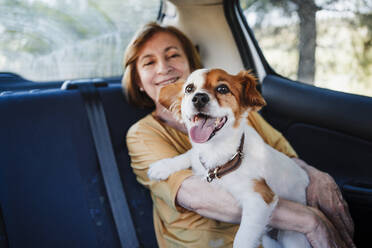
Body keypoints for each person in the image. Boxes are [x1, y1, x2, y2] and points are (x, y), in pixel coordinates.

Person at [123, 22, 355, 248]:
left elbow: (285, 157)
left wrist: (319, 178)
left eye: (173, 55)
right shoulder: (142, 134)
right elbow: (201, 198)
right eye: (149, 62)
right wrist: (310, 221)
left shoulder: (238, 110)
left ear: (191, 64)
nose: (163, 68)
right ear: (138, 81)